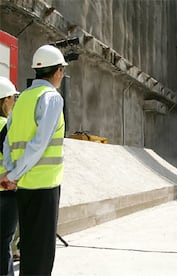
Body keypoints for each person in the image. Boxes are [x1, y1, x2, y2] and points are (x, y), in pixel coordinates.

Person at [0, 44, 67, 275]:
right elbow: (39, 144)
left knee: (28, 248)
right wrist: (14, 174)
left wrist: (11, 172)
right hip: (44, 187)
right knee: (42, 255)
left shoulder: (22, 99)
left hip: (24, 187)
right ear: (58, 71)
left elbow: (8, 141)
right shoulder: (52, 98)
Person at [0, 76, 19, 276]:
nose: (14, 102)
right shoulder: (6, 126)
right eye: (13, 98)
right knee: (4, 242)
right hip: (5, 192)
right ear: (5, 100)